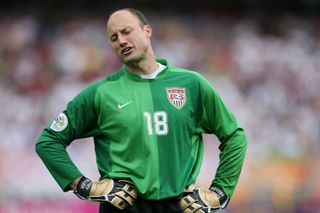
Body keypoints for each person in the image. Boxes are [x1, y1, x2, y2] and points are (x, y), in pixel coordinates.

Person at [35, 8, 247, 213]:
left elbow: (234, 136)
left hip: (180, 206)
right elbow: (48, 142)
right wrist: (84, 186)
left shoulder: (192, 84)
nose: (121, 41)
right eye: (113, 38)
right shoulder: (101, 93)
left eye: (126, 31)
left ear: (147, 30)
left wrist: (220, 191)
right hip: (123, 206)